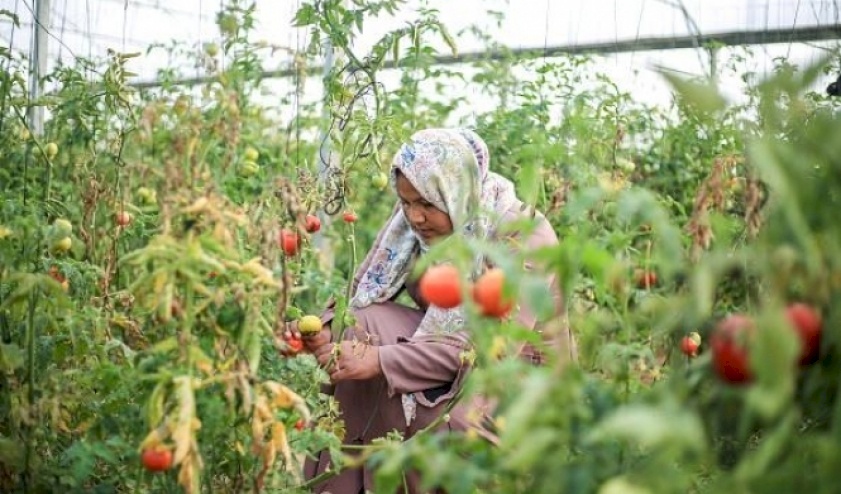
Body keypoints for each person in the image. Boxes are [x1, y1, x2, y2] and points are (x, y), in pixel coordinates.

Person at [283, 128, 578, 493]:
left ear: (454, 191)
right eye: (406, 203)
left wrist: (382, 360)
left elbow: (491, 350)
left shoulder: (522, 234)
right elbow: (361, 291)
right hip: (447, 347)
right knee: (360, 324)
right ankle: (340, 484)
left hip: (510, 379)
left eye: (426, 204)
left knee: (441, 419)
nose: (415, 217)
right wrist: (325, 330)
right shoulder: (410, 223)